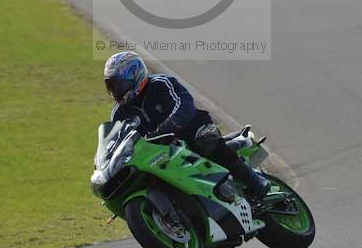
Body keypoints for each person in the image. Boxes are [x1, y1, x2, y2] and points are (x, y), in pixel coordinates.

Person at [104, 51, 270, 199]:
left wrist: (167, 126)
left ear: (135, 75)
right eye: (111, 85)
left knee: (205, 140)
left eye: (119, 84)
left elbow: (184, 104)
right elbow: (117, 139)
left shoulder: (161, 83)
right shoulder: (119, 113)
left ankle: (253, 180)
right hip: (158, 151)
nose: (116, 90)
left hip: (190, 129)